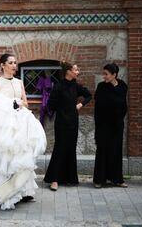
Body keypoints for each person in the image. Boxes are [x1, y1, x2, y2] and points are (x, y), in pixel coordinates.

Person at [0, 53, 46, 210]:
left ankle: (21, 190)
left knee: (20, 157)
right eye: (11, 63)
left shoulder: (20, 82)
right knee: (1, 158)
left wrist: (20, 105)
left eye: (15, 62)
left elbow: (26, 103)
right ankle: (0, 193)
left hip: (20, 123)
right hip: (2, 126)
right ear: (2, 65)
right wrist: (10, 105)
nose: (14, 65)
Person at [44, 61, 92, 191]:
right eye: (76, 70)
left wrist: (80, 105)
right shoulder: (58, 86)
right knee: (59, 149)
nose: (78, 72)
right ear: (68, 72)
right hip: (61, 123)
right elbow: (50, 104)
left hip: (73, 122)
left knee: (71, 148)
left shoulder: (76, 86)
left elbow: (88, 95)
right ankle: (54, 180)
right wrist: (63, 108)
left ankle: (69, 178)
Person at [93, 63, 128, 188]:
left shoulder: (123, 86)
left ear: (114, 75)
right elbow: (100, 105)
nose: (104, 76)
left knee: (116, 151)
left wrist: (114, 107)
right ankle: (99, 180)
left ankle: (117, 179)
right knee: (102, 151)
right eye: (104, 74)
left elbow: (123, 104)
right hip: (103, 124)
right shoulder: (101, 86)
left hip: (117, 124)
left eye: (106, 74)